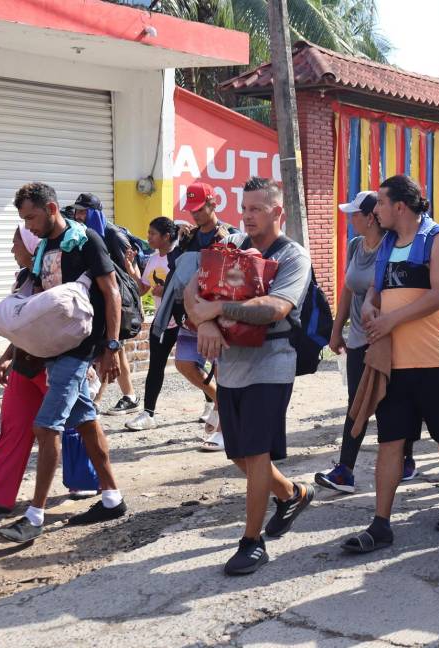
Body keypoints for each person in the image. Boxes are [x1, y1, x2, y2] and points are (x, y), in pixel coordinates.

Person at [184, 177, 314, 575]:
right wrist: (204, 324)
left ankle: (251, 542)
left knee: (256, 452)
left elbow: (274, 308)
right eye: (244, 208)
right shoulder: (233, 245)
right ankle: (292, 494)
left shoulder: (294, 257)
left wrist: (216, 309)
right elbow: (191, 292)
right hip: (230, 364)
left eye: (256, 209)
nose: (247, 216)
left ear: (277, 212)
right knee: (239, 453)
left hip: (272, 362)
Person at [340, 174, 439, 554]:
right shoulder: (385, 246)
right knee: (390, 440)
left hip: (433, 358)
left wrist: (391, 320)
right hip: (392, 362)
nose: (374, 209)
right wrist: (369, 308)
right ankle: (381, 523)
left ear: (400, 205)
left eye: (380, 202)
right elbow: (374, 293)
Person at [0, 182, 127, 543]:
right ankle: (113, 497)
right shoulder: (44, 250)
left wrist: (111, 346)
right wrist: (12, 351)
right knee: (85, 421)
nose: (29, 226)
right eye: (25, 219)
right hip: (53, 347)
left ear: (51, 208)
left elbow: (111, 291)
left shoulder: (85, 241)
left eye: (32, 217)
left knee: (46, 426)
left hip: (79, 348)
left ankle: (34, 517)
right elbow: (35, 305)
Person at [316, 191, 416, 493]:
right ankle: (345, 470)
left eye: (355, 214)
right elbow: (348, 289)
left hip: (389, 336)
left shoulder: (394, 246)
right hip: (359, 337)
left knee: (395, 400)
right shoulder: (356, 245)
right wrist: (337, 330)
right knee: (356, 403)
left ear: (371, 217)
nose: (350, 218)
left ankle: (405, 458)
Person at [172, 182, 239, 449]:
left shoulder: (230, 235)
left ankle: (223, 429)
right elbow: (176, 269)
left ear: (213, 204)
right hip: (190, 314)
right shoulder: (190, 236)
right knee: (183, 363)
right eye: (191, 210)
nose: (195, 215)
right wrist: (179, 243)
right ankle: (218, 401)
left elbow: (235, 277)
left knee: (223, 371)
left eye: (199, 209)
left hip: (217, 315)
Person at [0, 228, 47, 514]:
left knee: (75, 427)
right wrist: (5, 358)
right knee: (13, 427)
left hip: (52, 364)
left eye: (15, 243)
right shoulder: (25, 277)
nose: (13, 250)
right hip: (25, 364)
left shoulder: (51, 274)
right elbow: (20, 325)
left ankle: (88, 483)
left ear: (30, 245)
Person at [70, 193, 140, 415]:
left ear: (94, 213)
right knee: (115, 350)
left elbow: (130, 272)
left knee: (111, 347)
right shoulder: (83, 235)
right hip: (99, 299)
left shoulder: (113, 235)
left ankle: (97, 400)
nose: (79, 216)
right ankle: (129, 395)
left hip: (116, 300)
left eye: (84, 211)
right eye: (77, 211)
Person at [121, 217, 180, 430]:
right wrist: (131, 268)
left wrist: (168, 291)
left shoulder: (180, 257)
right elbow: (142, 289)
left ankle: (212, 404)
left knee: (193, 365)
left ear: (166, 236)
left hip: (184, 321)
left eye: (153, 233)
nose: (148, 237)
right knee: (155, 366)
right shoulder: (154, 260)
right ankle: (148, 414)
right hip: (162, 321)